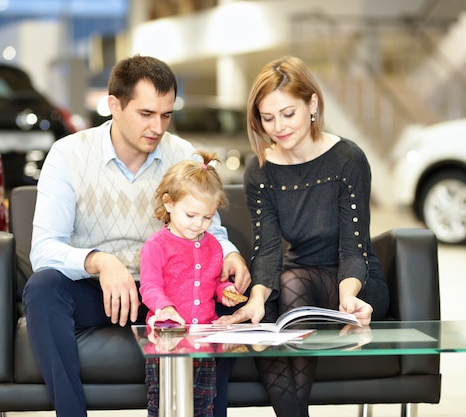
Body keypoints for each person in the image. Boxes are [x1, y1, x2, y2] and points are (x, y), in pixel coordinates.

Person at [21, 54, 250, 417]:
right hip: (99, 289)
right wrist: (100, 261)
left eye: (166, 115)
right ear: (114, 104)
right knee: (43, 289)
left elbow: (211, 232)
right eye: (146, 114)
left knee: (221, 298)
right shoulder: (68, 154)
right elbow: (44, 250)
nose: (158, 127)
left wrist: (230, 254)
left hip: (169, 288)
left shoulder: (182, 153)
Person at [214, 55, 390, 417]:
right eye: (268, 117)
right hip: (298, 279)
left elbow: (354, 246)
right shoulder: (260, 171)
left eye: (288, 113)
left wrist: (348, 298)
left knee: (292, 284)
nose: (278, 126)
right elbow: (266, 248)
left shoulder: (347, 159)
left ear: (312, 104)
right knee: (264, 313)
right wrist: (258, 298)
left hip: (354, 281)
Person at [140, 150, 245, 417]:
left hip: (204, 341)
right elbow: (150, 287)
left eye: (207, 218)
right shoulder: (156, 245)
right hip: (168, 342)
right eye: (191, 215)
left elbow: (213, 284)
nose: (199, 224)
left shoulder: (213, 246)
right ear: (169, 203)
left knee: (203, 406)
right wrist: (165, 308)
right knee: (163, 405)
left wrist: (226, 292)